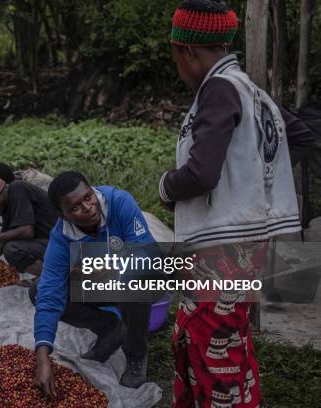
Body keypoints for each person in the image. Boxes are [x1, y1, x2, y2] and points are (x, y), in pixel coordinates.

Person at [160, 1, 315, 406]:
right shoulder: (251, 91)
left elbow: (199, 175)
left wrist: (165, 188)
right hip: (247, 247)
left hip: (220, 249)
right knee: (228, 341)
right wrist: (252, 184)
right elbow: (297, 138)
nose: (178, 70)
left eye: (177, 58)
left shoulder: (218, 89)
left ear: (188, 52)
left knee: (214, 353)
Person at [32, 171, 156, 397]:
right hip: (99, 278)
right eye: (75, 207)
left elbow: (144, 251)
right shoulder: (61, 237)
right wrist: (42, 358)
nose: (88, 207)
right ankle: (110, 328)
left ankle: (136, 353)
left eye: (88, 197)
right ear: (63, 216)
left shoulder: (119, 202)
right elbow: (49, 293)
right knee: (38, 290)